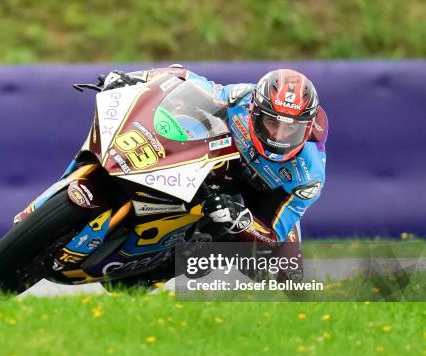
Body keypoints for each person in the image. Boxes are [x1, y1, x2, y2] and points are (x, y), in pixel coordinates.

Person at [98, 65, 328, 284]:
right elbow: (185, 79)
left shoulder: (309, 177)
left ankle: (160, 271)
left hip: (263, 200)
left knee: (284, 275)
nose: (278, 136)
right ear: (254, 111)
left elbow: (274, 233)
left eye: (291, 129)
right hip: (226, 164)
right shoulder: (241, 98)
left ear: (306, 129)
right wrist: (136, 79)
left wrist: (241, 221)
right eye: (271, 122)